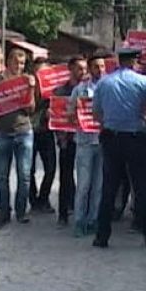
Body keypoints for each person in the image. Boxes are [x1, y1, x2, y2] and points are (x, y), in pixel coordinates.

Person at [92, 47, 146, 249]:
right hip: (136, 138)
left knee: (109, 187)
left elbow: (96, 113)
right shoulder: (143, 81)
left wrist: (108, 123)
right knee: (142, 188)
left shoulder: (104, 82)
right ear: (136, 61)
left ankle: (102, 235)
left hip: (111, 137)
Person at [0, 48, 36, 224]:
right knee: (1, 176)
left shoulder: (26, 80)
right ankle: (4, 211)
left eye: (22, 63)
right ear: (8, 62)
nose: (19, 66)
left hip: (24, 131)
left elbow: (31, 109)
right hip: (4, 133)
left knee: (24, 176)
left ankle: (21, 211)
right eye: (16, 62)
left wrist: (30, 89)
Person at [68, 53, 108, 237]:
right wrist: (76, 109)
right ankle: (79, 221)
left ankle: (93, 220)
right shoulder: (80, 89)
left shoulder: (110, 87)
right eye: (96, 67)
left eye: (102, 66)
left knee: (99, 185)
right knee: (83, 185)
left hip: (103, 141)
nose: (100, 70)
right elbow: (69, 117)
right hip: (84, 142)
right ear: (90, 69)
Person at [53, 55, 87, 226]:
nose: (83, 72)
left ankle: (84, 212)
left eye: (84, 68)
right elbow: (54, 115)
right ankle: (63, 214)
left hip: (86, 139)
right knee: (66, 177)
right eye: (79, 68)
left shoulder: (90, 89)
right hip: (67, 139)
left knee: (85, 178)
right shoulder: (60, 91)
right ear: (71, 69)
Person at [29, 57, 58, 214]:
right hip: (30, 132)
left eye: (45, 73)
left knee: (51, 168)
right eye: (39, 72)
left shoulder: (54, 92)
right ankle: (33, 201)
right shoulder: (28, 88)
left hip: (46, 132)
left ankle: (44, 198)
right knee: (29, 169)